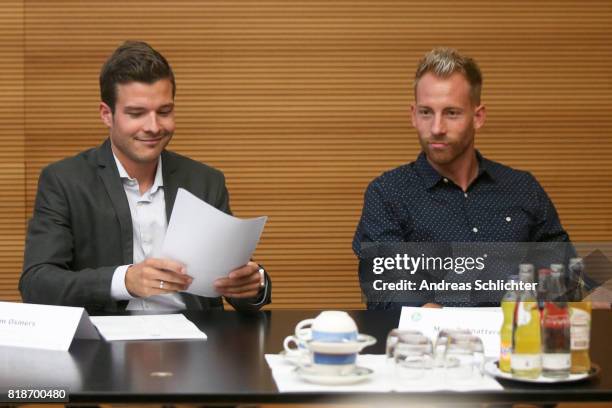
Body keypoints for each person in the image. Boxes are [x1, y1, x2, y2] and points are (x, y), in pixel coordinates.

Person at [20, 41, 271, 313]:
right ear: (107, 114)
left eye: (164, 112)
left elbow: (233, 282)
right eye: (136, 113)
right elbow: (37, 283)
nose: (153, 127)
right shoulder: (64, 181)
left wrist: (253, 284)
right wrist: (124, 280)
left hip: (195, 342)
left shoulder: (206, 181)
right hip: (103, 344)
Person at [353, 47, 573, 309]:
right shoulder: (387, 193)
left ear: (477, 117)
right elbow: (386, 288)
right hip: (433, 347)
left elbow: (567, 276)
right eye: (426, 112)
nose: (436, 128)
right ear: (413, 115)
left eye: (451, 113)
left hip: (516, 344)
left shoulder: (522, 188)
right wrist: (442, 324)